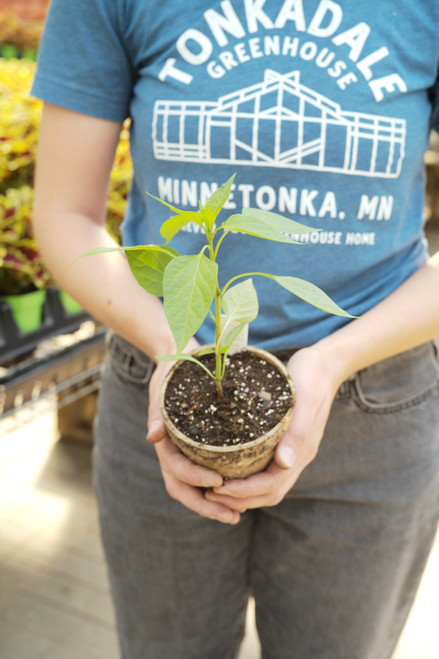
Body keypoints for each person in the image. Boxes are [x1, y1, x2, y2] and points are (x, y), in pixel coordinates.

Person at [31, 1, 439, 657]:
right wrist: (171, 342)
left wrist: (331, 358)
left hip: (372, 408)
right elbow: (64, 212)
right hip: (164, 393)